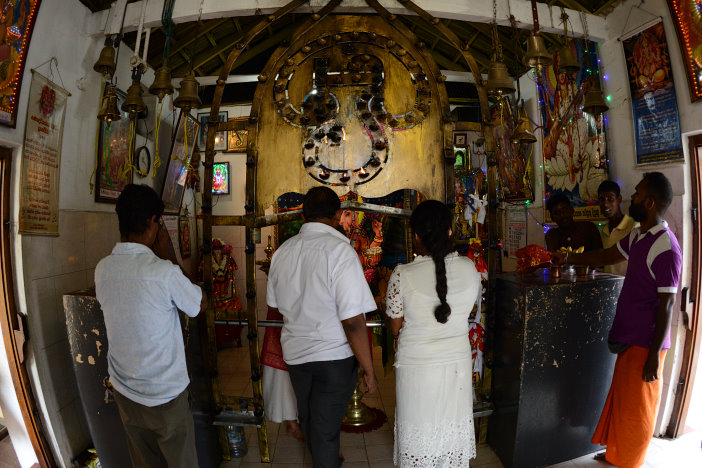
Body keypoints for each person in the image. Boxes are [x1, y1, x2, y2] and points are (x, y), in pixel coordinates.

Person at [552, 172, 682, 467]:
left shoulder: (666, 247)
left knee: (638, 407)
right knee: (623, 402)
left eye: (636, 194)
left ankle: (629, 461)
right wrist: (569, 259)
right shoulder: (638, 235)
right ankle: (615, 454)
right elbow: (606, 255)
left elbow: (667, 305)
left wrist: (653, 356)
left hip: (647, 343)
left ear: (649, 202)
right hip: (629, 336)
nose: (631, 198)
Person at [95, 184, 207, 468]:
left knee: (144, 463)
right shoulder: (163, 272)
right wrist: (169, 256)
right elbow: (199, 304)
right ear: (153, 222)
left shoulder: (103, 269)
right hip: (165, 396)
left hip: (126, 392)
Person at [266, 186, 378, 467]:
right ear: (338, 215)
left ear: (303, 215)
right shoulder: (341, 252)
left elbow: (276, 305)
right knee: (324, 433)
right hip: (334, 361)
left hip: (297, 359)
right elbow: (353, 322)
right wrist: (369, 369)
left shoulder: (282, 252)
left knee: (314, 427)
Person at [385, 200, 481, 467]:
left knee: (420, 440)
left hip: (417, 368)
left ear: (416, 236)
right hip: (457, 366)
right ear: (449, 232)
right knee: (450, 440)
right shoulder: (470, 269)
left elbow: (395, 326)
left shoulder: (402, 274)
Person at [598, 180, 636, 276]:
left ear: (619, 199)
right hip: (609, 287)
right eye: (602, 199)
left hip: (628, 287)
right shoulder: (604, 231)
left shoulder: (633, 226)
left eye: (610, 199)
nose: (605, 204)